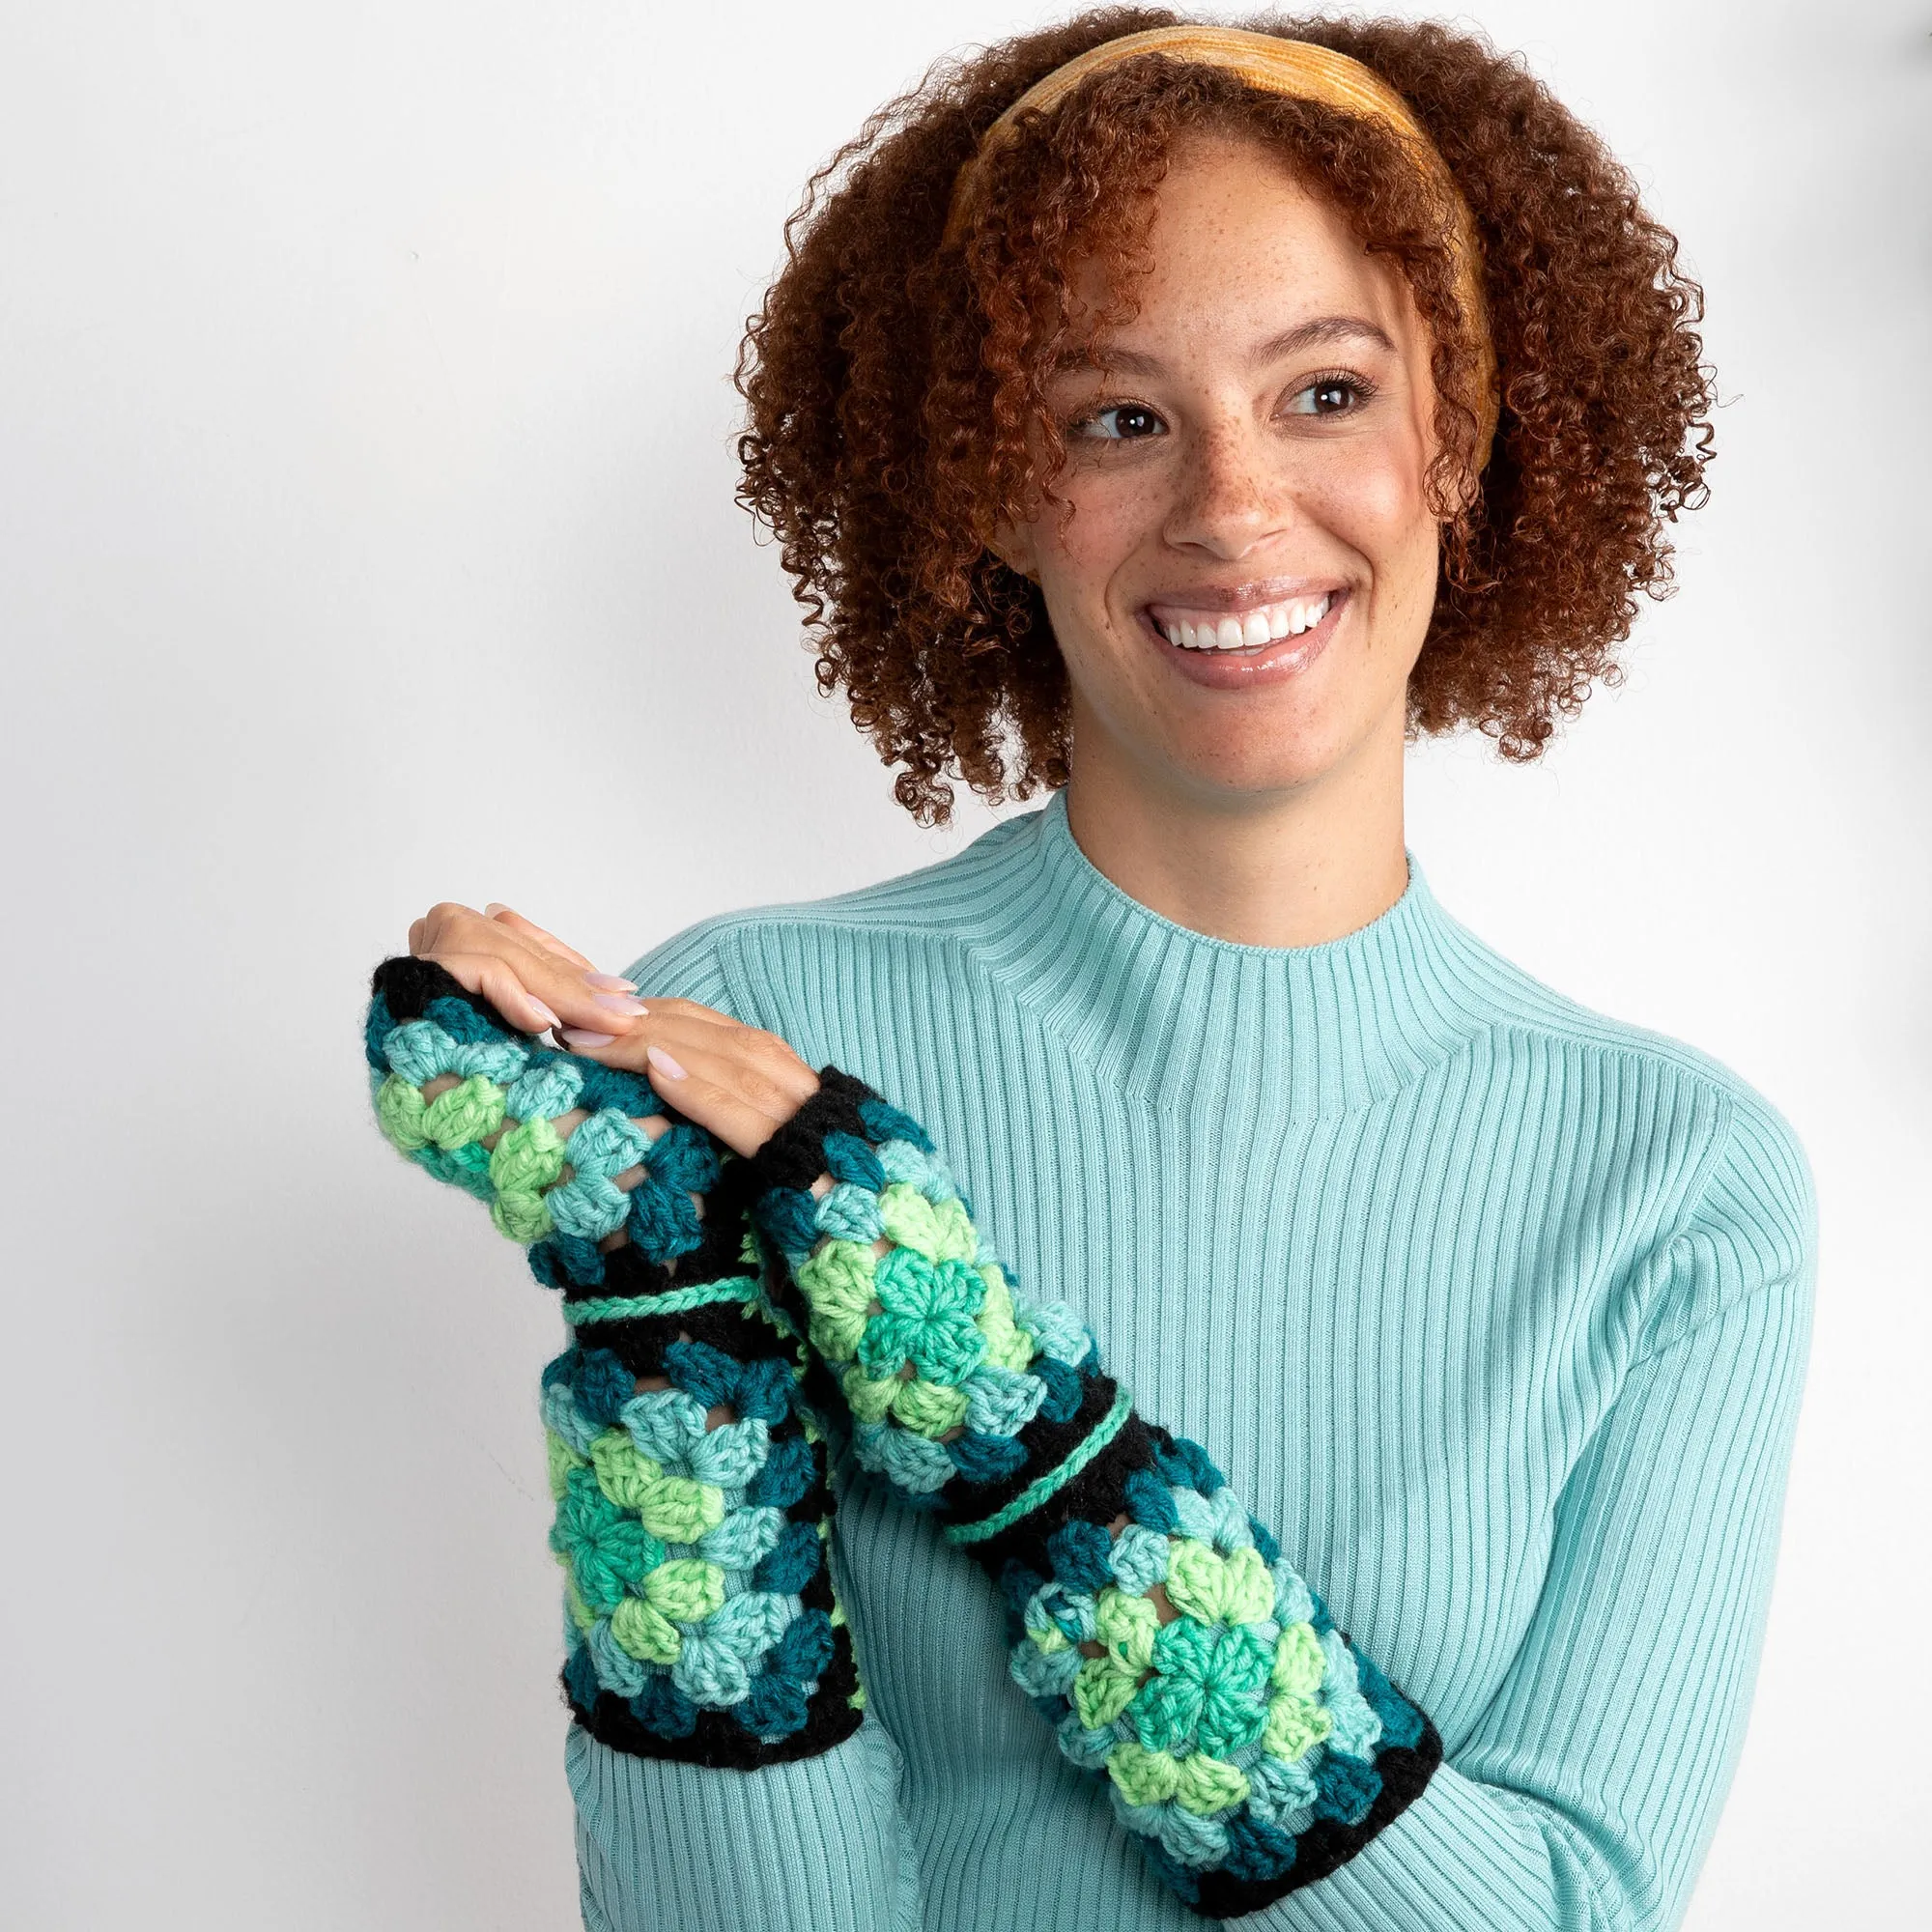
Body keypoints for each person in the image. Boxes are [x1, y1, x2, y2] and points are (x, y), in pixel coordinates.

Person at [365, 13, 1815, 1929]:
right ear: (989, 482)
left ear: (1455, 438)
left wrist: (1009, 1420)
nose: (1228, 507)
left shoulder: (1676, 1183)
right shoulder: (739, 1038)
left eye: (1323, 393)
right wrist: (667, 1317)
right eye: (1114, 418)